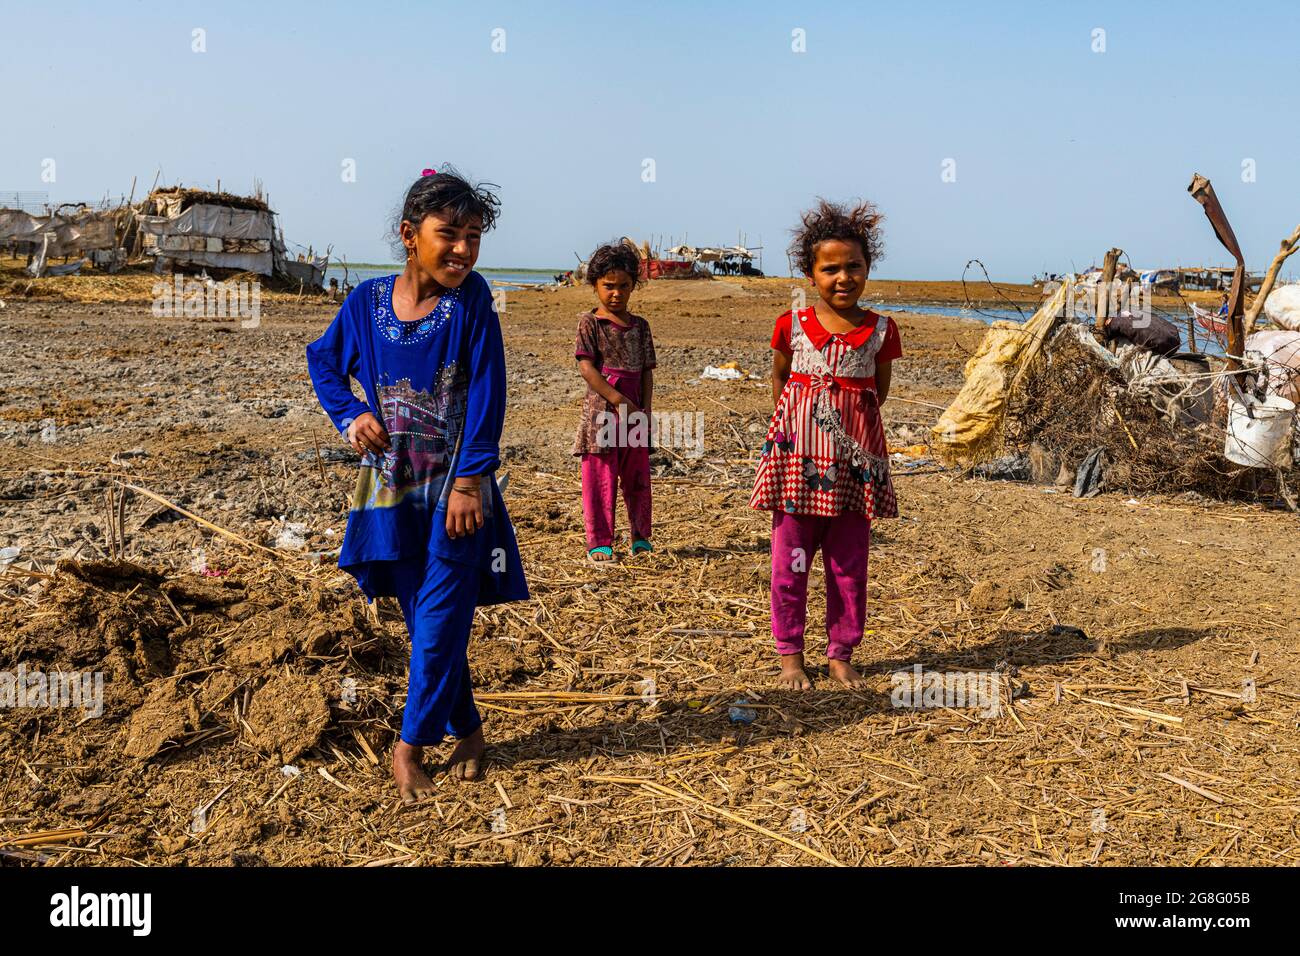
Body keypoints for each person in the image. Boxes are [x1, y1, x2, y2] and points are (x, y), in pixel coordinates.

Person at [305, 167, 527, 801]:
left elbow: (488, 389)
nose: (462, 249)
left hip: (457, 492)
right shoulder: (365, 303)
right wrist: (351, 416)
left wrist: (472, 478)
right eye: (448, 233)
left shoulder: (471, 301)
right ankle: (472, 729)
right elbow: (323, 360)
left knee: (437, 622)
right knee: (424, 620)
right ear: (409, 234)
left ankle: (408, 747)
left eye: (474, 236)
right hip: (388, 493)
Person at [750, 199, 902, 689]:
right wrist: (797, 431)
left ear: (868, 268)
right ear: (810, 273)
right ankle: (790, 654)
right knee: (789, 562)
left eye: (853, 266)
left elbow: (877, 391)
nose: (843, 277)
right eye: (829, 268)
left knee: (848, 566)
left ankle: (841, 653)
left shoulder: (881, 330)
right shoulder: (790, 325)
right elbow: (780, 383)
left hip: (855, 474)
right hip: (797, 466)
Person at [572, 242, 656, 563]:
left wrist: (644, 409)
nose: (616, 293)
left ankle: (641, 537)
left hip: (635, 415)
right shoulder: (590, 324)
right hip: (601, 414)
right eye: (608, 286)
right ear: (595, 285)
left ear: (634, 285)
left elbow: (647, 372)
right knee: (600, 480)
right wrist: (618, 399)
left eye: (624, 286)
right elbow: (586, 368)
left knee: (637, 478)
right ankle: (600, 541)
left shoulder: (641, 327)